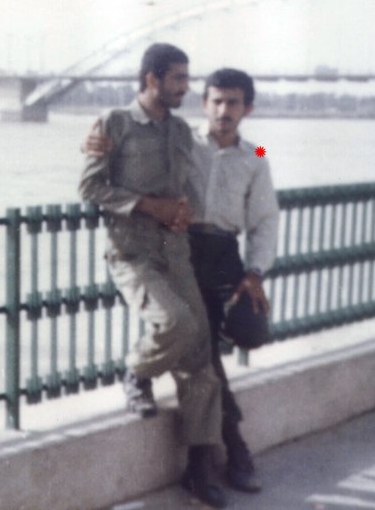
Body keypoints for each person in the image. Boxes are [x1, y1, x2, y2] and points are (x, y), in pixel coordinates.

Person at [84, 67, 279, 494]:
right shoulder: (183, 138)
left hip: (224, 256)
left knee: (239, 337)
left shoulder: (257, 152)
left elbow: (265, 217)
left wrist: (255, 271)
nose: (223, 111)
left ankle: (217, 448)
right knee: (202, 353)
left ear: (248, 108)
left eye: (233, 103)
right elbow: (130, 149)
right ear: (204, 103)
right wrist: (94, 142)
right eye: (216, 101)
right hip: (182, 249)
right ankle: (231, 449)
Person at [79, 43, 227, 508]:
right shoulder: (116, 123)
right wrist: (153, 207)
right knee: (177, 323)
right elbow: (89, 185)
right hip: (136, 249)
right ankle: (136, 372)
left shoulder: (217, 141)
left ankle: (201, 469)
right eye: (179, 78)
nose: (187, 87)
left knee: (201, 354)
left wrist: (258, 152)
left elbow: (238, 152)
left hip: (200, 255)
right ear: (152, 79)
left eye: (235, 104)